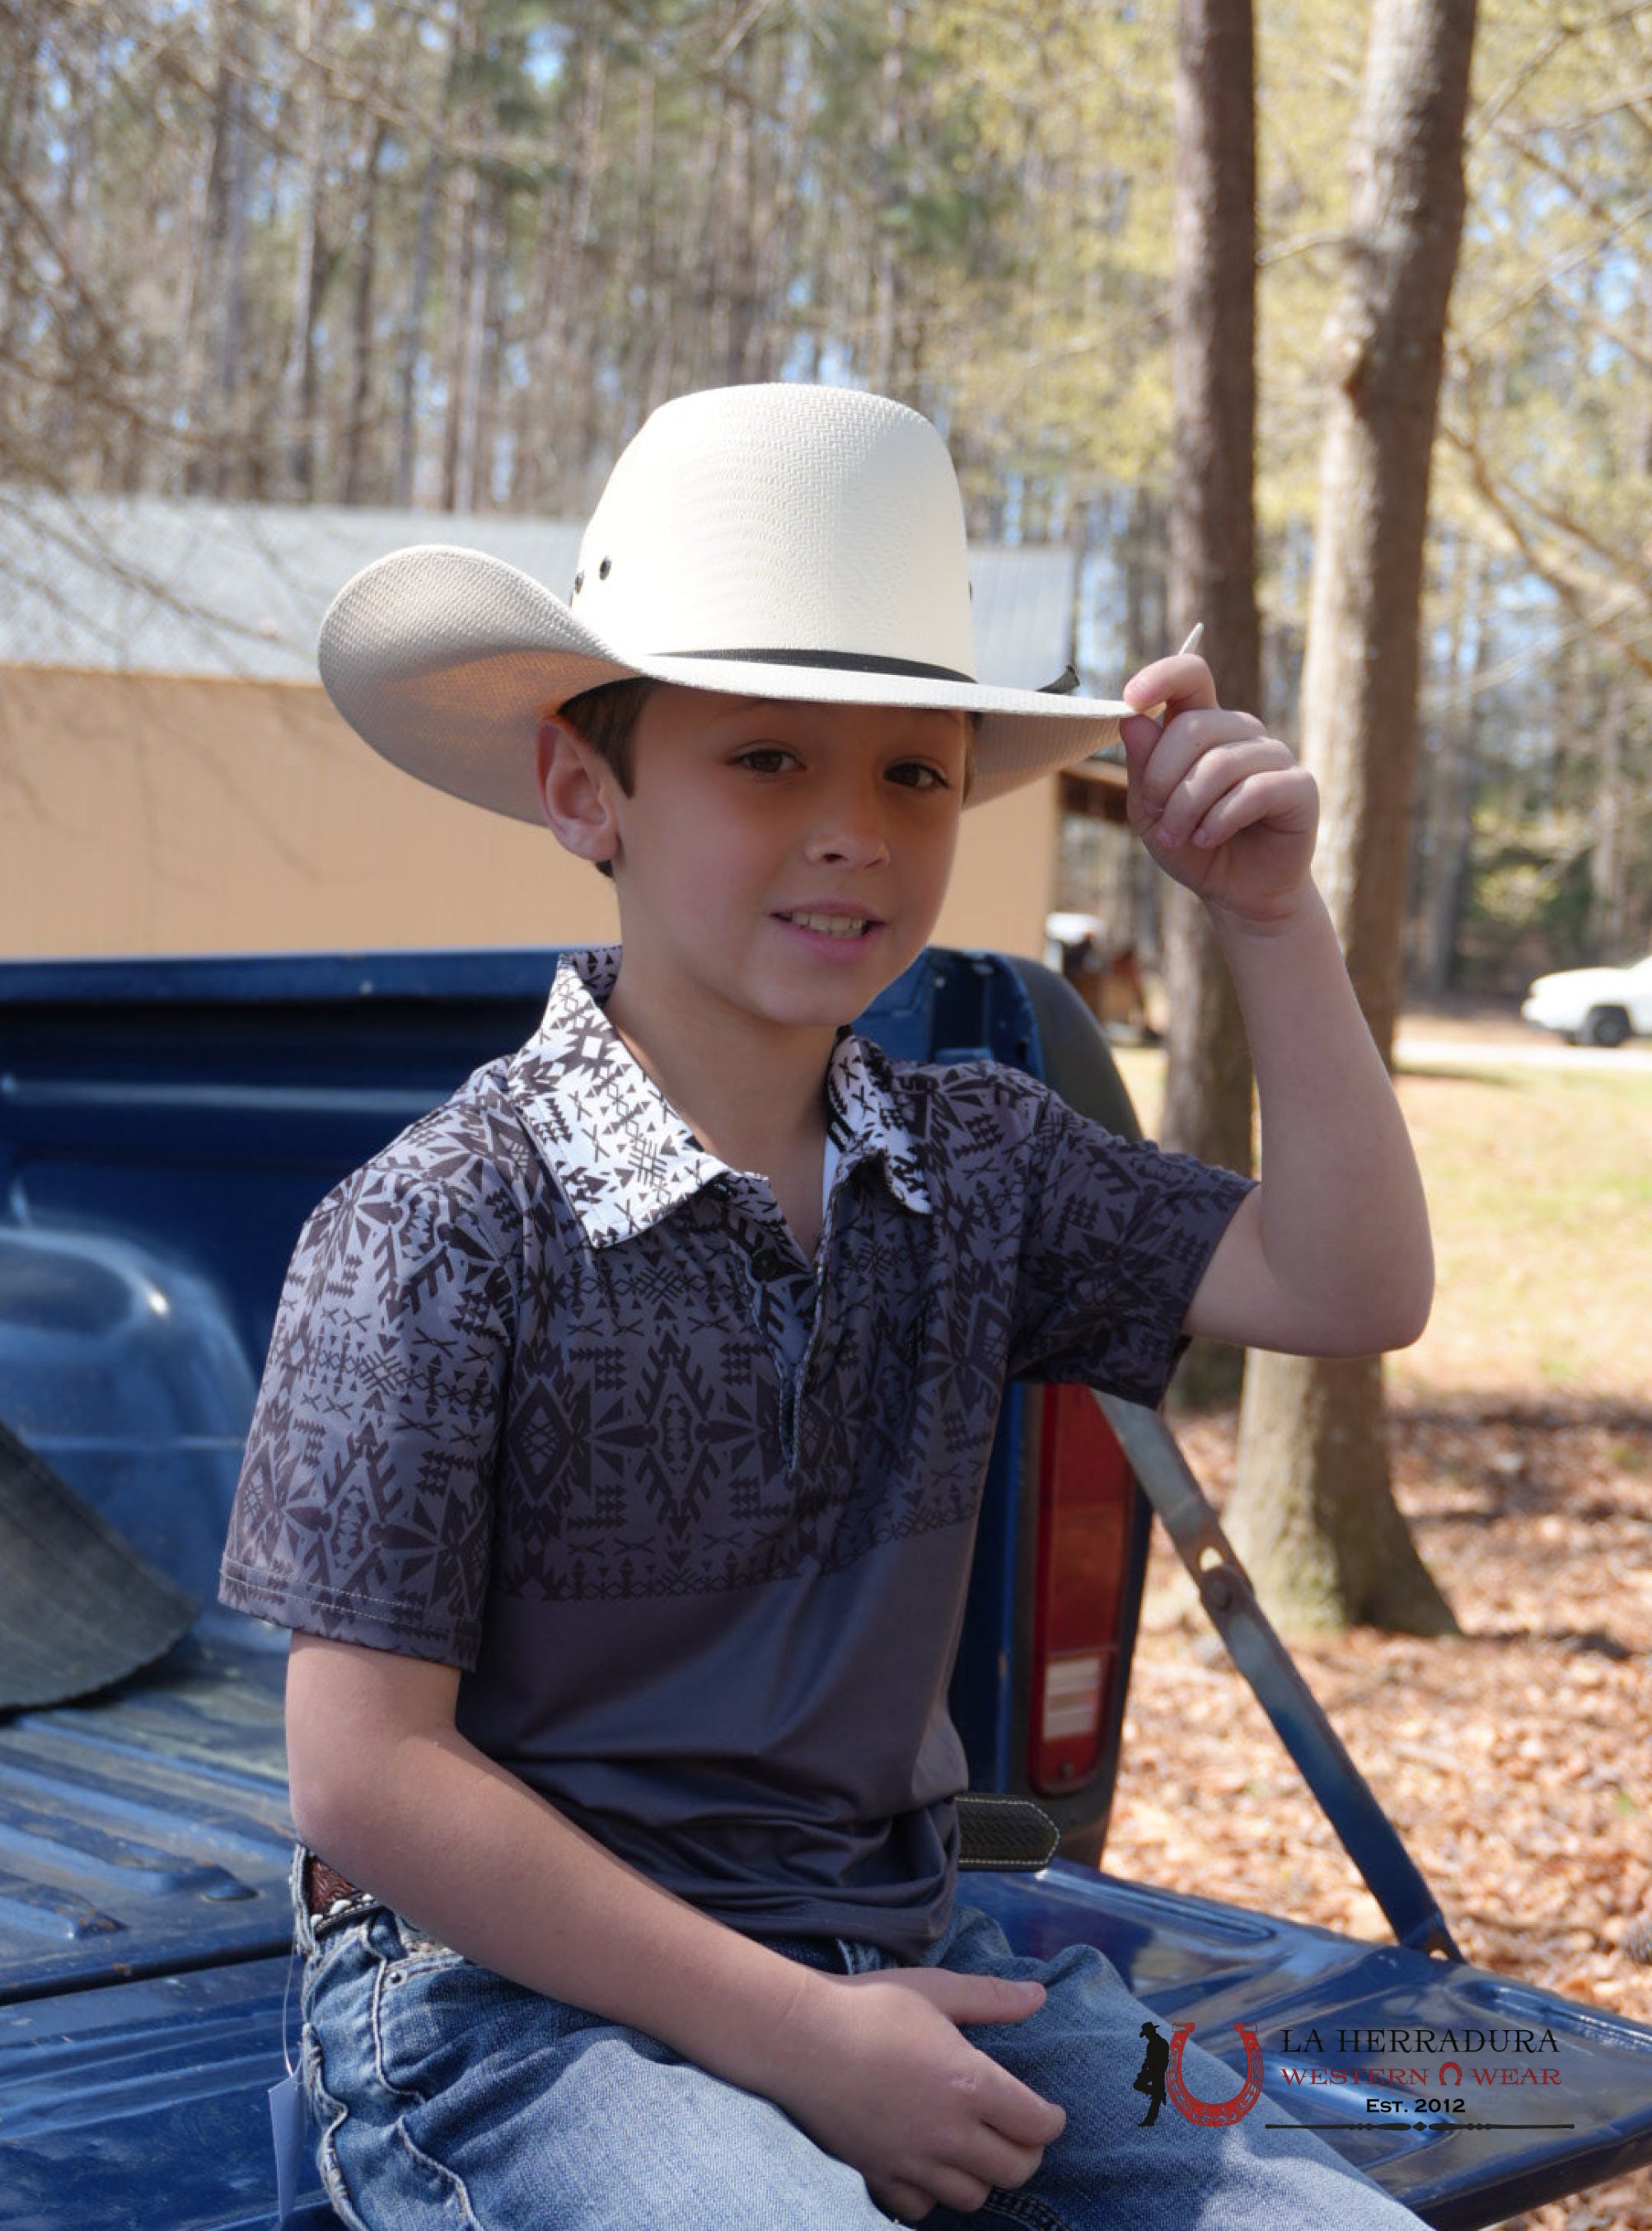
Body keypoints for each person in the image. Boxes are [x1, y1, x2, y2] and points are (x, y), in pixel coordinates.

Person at [220, 383, 1433, 2230]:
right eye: (768, 759)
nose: (853, 830)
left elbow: (1353, 1284)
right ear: (583, 785)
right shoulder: (446, 1229)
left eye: (911, 771)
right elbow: (363, 1779)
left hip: (889, 1947)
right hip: (499, 2009)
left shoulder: (978, 1168)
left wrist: (1270, 924)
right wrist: (794, 2041)